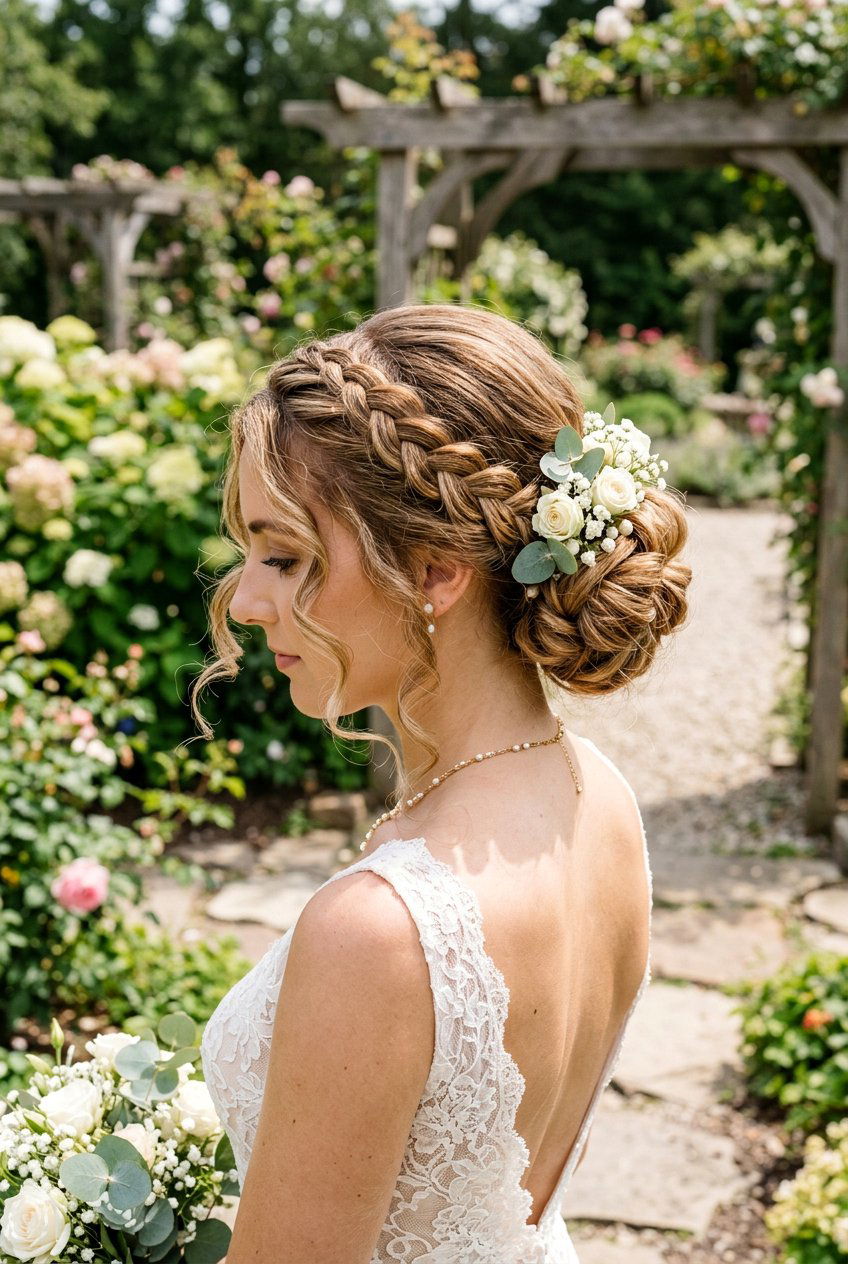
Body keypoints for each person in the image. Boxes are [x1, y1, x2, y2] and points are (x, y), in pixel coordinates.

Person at [193, 302, 692, 1262]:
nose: (248, 603)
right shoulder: (603, 801)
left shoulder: (380, 931)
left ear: (433, 571)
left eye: (285, 556)